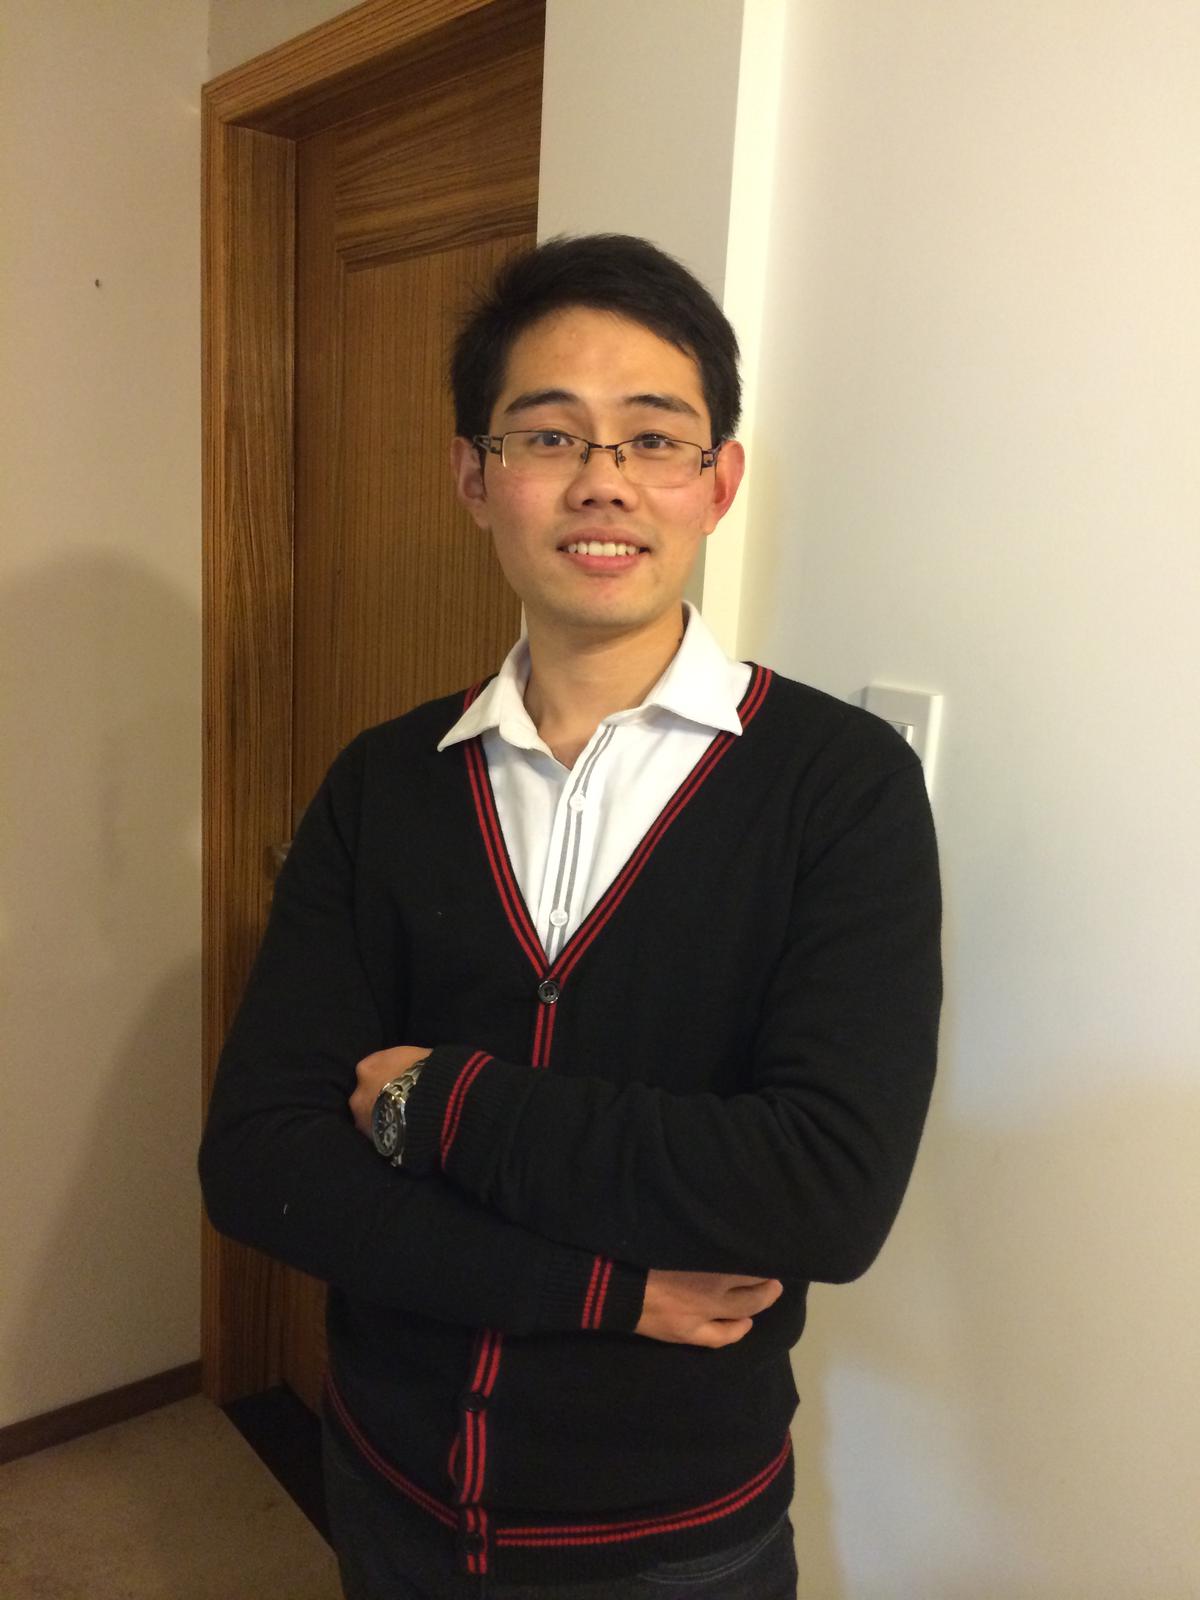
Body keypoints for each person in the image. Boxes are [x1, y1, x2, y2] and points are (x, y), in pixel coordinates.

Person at [199, 234, 942, 1600]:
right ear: (474, 477)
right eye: (548, 435)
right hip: (389, 1492)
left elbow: (823, 1191)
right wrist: (610, 1288)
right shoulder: (385, 783)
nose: (604, 479)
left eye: (654, 437)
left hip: (672, 1541)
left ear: (718, 482)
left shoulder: (839, 787)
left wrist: (438, 1104)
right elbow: (259, 1159)